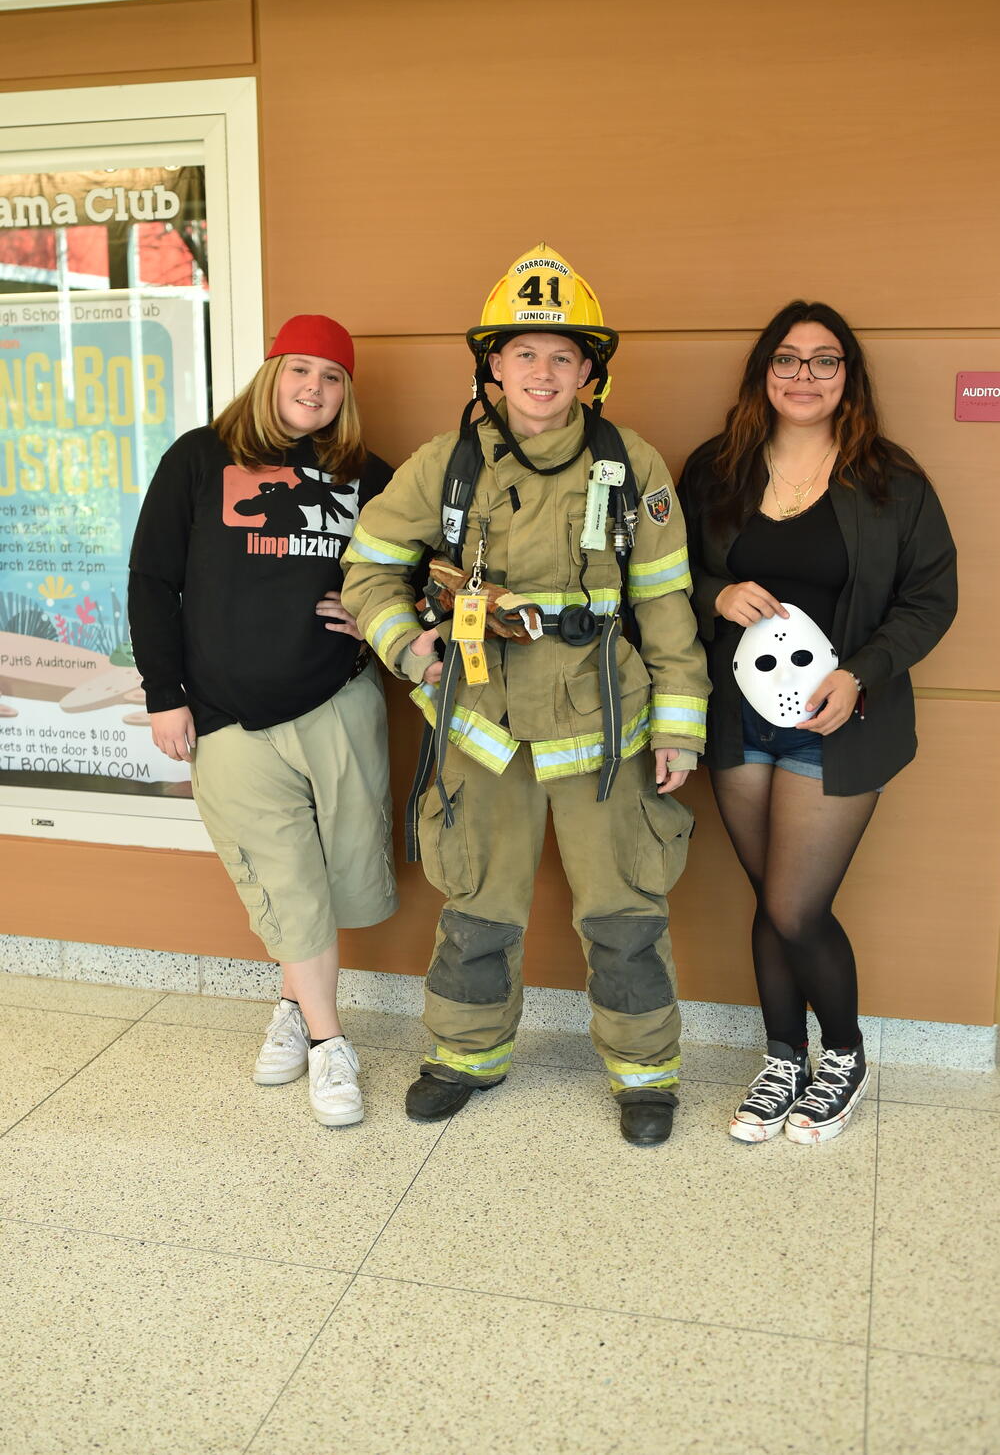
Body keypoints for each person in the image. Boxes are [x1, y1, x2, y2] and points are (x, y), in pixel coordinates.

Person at [341, 244, 710, 1146]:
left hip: (605, 724)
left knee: (625, 912)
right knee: (476, 906)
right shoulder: (445, 466)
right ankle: (465, 1055)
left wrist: (679, 726)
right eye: (524, 353)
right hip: (484, 722)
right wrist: (409, 646)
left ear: (589, 372)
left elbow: (666, 603)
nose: (542, 373)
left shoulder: (633, 466)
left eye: (562, 355)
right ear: (494, 367)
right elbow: (368, 571)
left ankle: (645, 1073)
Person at [678, 300, 957, 1145]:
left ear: (848, 377)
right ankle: (782, 1058)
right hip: (738, 718)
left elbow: (930, 599)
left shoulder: (891, 482)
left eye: (824, 360)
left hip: (839, 722)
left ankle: (842, 1055)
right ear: (764, 371)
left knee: (796, 907)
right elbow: (660, 573)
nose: (805, 375)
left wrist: (860, 672)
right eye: (788, 359)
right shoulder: (716, 470)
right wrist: (715, 594)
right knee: (770, 900)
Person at [128, 314, 397, 1127]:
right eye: (300, 370)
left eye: (332, 376)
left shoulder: (369, 476)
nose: (314, 388)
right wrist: (164, 693)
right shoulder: (199, 457)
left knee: (338, 875)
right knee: (282, 876)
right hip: (227, 715)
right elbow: (151, 578)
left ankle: (290, 1005)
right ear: (272, 373)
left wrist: (379, 617)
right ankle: (328, 1042)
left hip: (338, 701)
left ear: (346, 391)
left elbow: (425, 571)